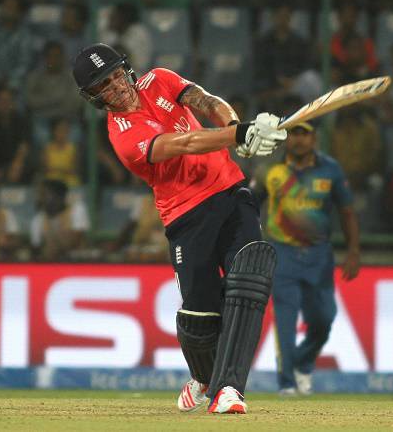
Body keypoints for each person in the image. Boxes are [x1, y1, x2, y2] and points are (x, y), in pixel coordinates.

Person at [71, 42, 287, 414]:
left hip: (231, 193)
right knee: (200, 317)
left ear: (127, 70)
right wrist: (238, 136)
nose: (116, 87)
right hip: (186, 219)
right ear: (93, 98)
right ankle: (204, 378)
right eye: (103, 85)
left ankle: (229, 390)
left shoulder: (160, 79)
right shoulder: (122, 136)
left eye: (116, 75)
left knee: (248, 281)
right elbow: (185, 143)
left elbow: (205, 101)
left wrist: (235, 125)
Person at [260, 121, 360, 396]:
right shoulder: (273, 170)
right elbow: (249, 202)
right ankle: (287, 383)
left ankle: (302, 363)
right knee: (285, 319)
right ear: (286, 137)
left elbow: (347, 211)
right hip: (282, 252)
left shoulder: (330, 169)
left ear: (314, 138)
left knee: (324, 318)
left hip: (319, 255)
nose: (299, 140)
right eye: (294, 134)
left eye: (304, 134)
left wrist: (353, 251)